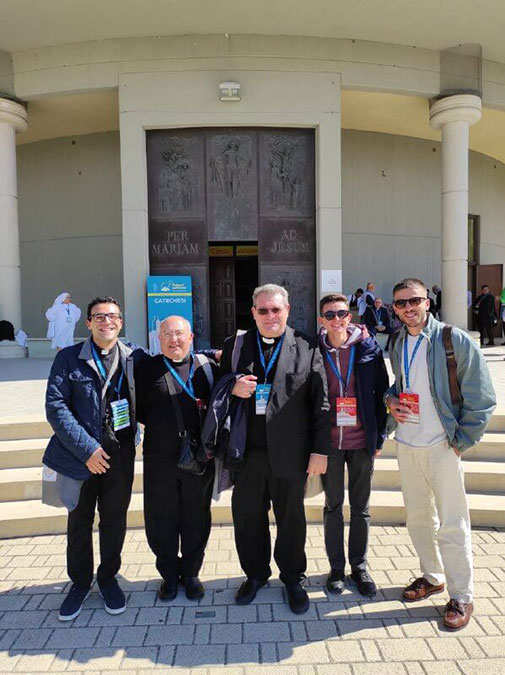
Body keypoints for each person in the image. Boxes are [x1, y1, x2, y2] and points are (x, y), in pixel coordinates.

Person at [385, 278, 496, 631]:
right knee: (418, 519)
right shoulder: (398, 340)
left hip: (443, 446)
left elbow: (482, 396)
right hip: (408, 444)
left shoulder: (452, 339)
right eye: (401, 304)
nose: (408, 309)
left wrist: (462, 441)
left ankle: (462, 594)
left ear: (427, 302)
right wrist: (390, 400)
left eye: (414, 301)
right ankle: (432, 577)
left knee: (452, 523)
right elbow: (401, 385)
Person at [219, 283, 331, 614]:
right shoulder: (235, 346)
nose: (270, 316)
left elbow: (321, 403)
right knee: (247, 517)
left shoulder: (307, 345)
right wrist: (233, 388)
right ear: (253, 313)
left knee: (291, 519)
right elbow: (218, 391)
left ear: (287, 310)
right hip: (247, 453)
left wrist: (320, 450)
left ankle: (293, 578)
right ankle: (255, 575)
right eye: (263, 310)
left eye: (276, 309)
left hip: (293, 455)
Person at [43, 296, 138, 621]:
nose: (106, 322)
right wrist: (87, 450)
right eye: (99, 317)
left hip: (119, 459)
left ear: (120, 322)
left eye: (112, 316)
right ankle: (80, 583)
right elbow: (56, 407)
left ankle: (108, 578)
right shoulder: (68, 359)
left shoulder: (131, 358)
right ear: (88, 323)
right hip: (79, 459)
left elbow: (173, 359)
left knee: (114, 522)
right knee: (79, 522)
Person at [135, 316, 218, 602]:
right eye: (167, 335)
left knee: (196, 516)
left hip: (198, 458)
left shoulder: (207, 368)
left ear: (191, 336)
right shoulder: (145, 369)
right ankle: (169, 575)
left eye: (179, 334)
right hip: (159, 458)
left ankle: (192, 573)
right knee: (161, 518)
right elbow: (138, 411)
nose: (174, 340)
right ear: (158, 339)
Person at [318, 294, 388, 597]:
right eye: (330, 315)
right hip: (330, 442)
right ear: (321, 320)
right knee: (333, 506)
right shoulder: (313, 350)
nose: (336, 320)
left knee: (361, 508)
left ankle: (359, 566)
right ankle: (336, 568)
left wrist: (380, 436)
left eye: (341, 314)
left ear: (350, 316)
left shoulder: (368, 348)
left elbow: (382, 394)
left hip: (361, 441)